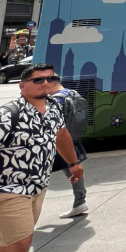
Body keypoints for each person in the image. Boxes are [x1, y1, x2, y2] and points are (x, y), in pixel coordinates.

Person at [0, 64, 84, 252]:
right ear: (22, 85)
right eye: (38, 80)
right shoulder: (4, 116)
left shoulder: (53, 107)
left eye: (51, 79)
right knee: (20, 246)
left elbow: (61, 135)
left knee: (5, 245)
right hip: (3, 191)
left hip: (35, 188)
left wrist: (74, 163)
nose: (46, 83)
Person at [50, 80, 89, 219]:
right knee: (73, 168)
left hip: (60, 141)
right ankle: (80, 201)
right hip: (72, 137)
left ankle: (80, 201)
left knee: (41, 172)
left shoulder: (56, 100)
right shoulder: (73, 93)